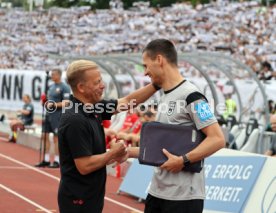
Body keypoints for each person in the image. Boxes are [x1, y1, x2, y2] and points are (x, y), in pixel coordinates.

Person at [127, 39, 225, 213]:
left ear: (159, 59)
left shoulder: (191, 95)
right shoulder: (164, 94)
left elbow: (217, 139)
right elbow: (165, 147)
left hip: (184, 197)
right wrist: (128, 152)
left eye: (146, 66)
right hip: (157, 191)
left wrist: (183, 160)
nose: (145, 72)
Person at [57, 59, 158, 213]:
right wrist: (112, 153)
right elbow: (84, 166)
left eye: (101, 80)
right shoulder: (75, 120)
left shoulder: (93, 106)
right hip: (78, 200)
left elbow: (127, 101)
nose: (102, 85)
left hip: (90, 196)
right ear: (81, 87)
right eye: (97, 82)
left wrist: (156, 85)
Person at [36, 69, 71, 168]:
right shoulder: (51, 87)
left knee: (56, 138)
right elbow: (48, 100)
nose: (51, 76)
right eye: (51, 74)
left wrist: (54, 105)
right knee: (44, 136)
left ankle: (56, 160)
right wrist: (45, 102)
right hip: (48, 114)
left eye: (53, 74)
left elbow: (66, 102)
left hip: (58, 115)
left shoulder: (64, 87)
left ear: (59, 75)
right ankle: (46, 159)